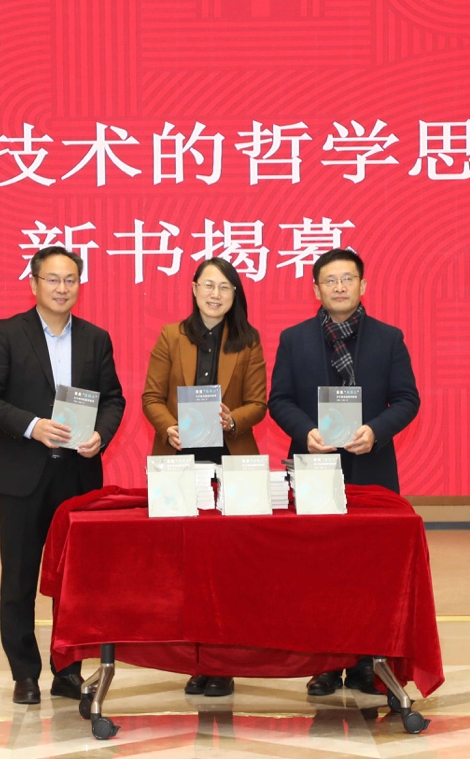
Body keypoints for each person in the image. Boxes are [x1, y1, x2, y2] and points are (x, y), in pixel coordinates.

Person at [0, 246, 126, 706]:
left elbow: (113, 399)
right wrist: (33, 426)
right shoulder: (7, 333)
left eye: (71, 279)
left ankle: (67, 670)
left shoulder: (96, 338)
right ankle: (24, 673)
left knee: (73, 581)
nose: (62, 288)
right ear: (34, 283)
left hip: (77, 475)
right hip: (23, 474)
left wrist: (101, 434)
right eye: (53, 279)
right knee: (19, 578)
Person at [268, 247, 420, 697]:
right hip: (315, 465)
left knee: (371, 569)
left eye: (347, 279)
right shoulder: (294, 339)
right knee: (317, 568)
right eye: (330, 280)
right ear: (316, 289)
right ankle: (325, 663)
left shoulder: (388, 338)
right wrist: (307, 431)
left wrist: (376, 431)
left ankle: (368, 661)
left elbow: (407, 399)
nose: (339, 287)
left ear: (362, 285)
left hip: (371, 466)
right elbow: (279, 400)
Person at [142, 257, 268, 697]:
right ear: (194, 289)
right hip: (180, 459)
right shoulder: (171, 336)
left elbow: (259, 404)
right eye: (208, 285)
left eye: (225, 287)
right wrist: (168, 427)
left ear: (235, 295)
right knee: (187, 568)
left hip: (230, 461)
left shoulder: (248, 340)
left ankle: (224, 663)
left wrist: (233, 419)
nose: (216, 294)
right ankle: (197, 662)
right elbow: (151, 397)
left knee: (228, 568)